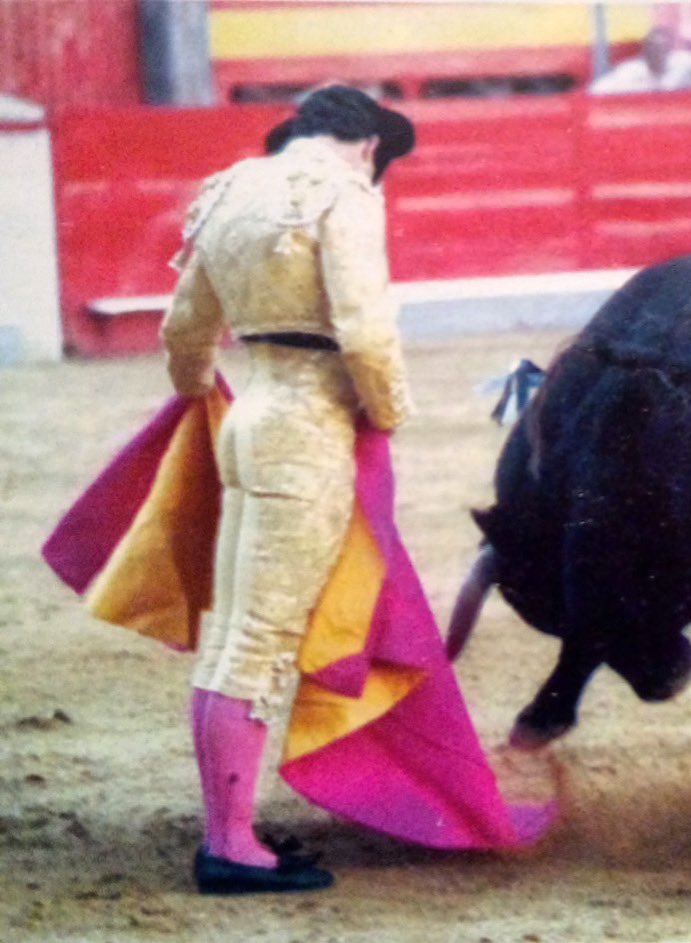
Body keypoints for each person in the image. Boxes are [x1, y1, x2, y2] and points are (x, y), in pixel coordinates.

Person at [160, 84, 416, 894]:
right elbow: (367, 332)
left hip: (248, 415)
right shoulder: (347, 195)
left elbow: (183, 330)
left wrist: (199, 390)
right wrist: (390, 412)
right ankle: (230, 846)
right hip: (307, 429)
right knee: (259, 640)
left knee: (234, 635)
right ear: (369, 144)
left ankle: (228, 829)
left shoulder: (231, 188)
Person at [589, 26, 691, 94]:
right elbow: (597, 89)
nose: (658, 52)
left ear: (669, 50)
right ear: (645, 51)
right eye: (653, 48)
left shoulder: (683, 63)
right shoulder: (630, 71)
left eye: (662, 48)